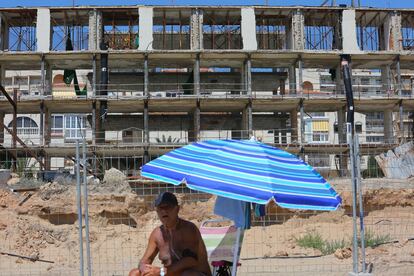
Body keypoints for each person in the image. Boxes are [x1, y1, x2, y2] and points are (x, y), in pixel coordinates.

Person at [129, 192, 212, 276]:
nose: (164, 211)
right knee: (134, 273)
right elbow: (145, 260)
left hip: (195, 273)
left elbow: (191, 260)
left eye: (167, 207)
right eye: (160, 208)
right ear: (156, 210)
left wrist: (161, 272)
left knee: (188, 274)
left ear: (177, 209)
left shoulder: (189, 229)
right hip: (169, 274)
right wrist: (144, 268)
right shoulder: (157, 234)